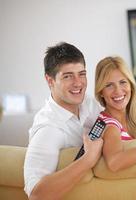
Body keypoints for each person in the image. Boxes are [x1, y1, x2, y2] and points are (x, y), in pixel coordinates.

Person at [23, 42, 104, 200]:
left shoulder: (88, 102)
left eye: (81, 74)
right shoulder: (48, 129)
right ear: (50, 80)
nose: (78, 83)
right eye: (67, 76)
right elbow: (36, 194)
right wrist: (88, 160)